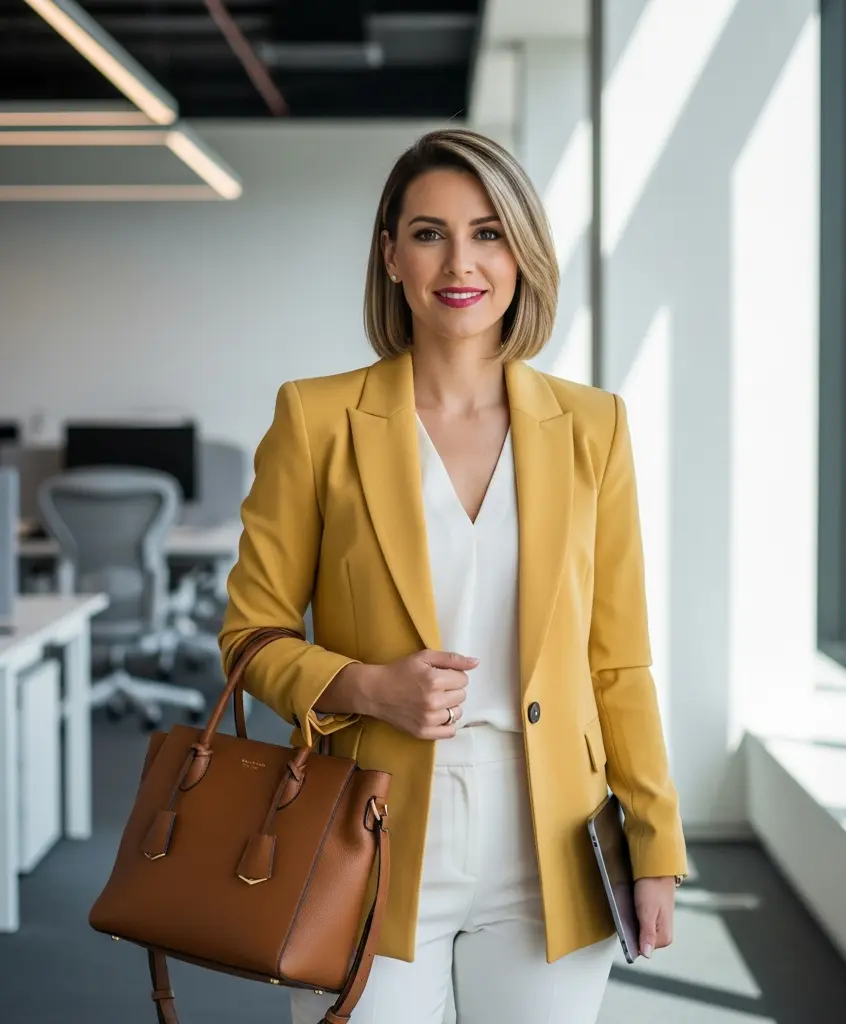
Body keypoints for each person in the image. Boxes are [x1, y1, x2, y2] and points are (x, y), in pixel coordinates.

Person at [219, 127, 688, 1024]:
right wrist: (362, 686)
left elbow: (618, 660)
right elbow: (250, 638)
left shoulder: (595, 427)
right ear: (390, 254)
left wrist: (654, 844)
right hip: (368, 834)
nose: (459, 261)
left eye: (488, 231)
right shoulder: (317, 420)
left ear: (523, 251)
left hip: (553, 841)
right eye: (429, 233)